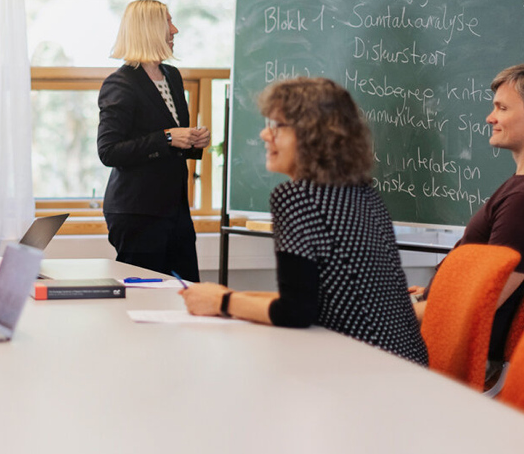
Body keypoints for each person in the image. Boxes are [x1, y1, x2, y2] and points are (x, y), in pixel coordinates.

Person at [181, 77, 428, 365]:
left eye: (277, 126)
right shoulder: (363, 192)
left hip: (359, 366)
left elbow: (296, 311)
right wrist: (230, 297)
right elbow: (320, 298)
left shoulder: (297, 197)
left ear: (312, 134)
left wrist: (221, 303)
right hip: (407, 362)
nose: (264, 134)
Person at [411, 61, 524, 366]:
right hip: (443, 321)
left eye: (502, 108)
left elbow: (478, 305)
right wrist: (431, 293)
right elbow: (479, 283)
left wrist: (403, 312)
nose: (490, 118)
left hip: (453, 344)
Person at [97, 0, 210, 282]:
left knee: (186, 293)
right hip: (138, 213)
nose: (175, 30)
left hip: (175, 210)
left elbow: (170, 141)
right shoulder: (120, 83)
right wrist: (169, 137)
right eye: (168, 23)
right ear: (149, 30)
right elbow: (109, 152)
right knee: (143, 300)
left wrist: (193, 142)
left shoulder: (172, 76)